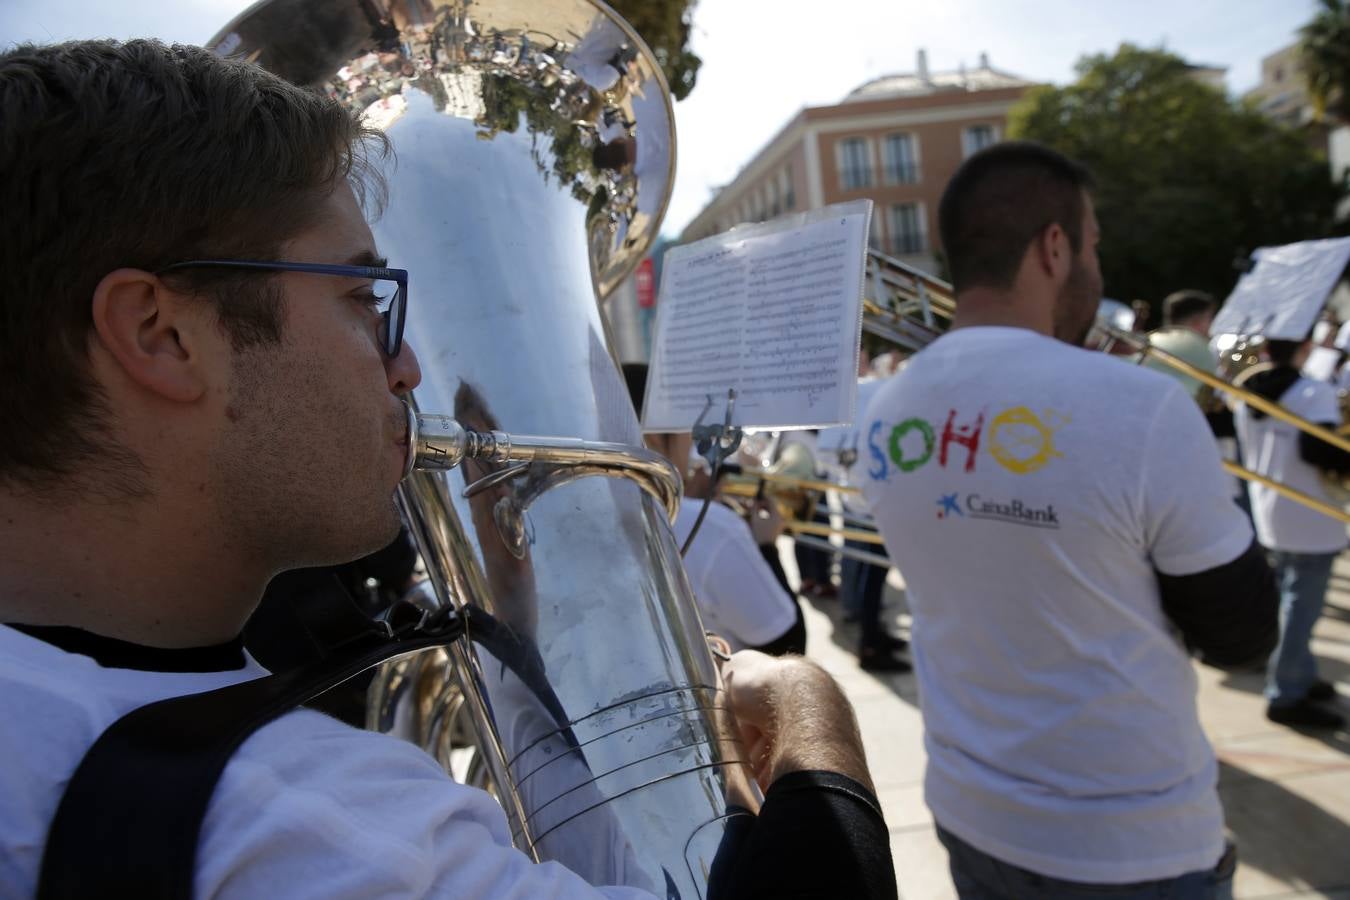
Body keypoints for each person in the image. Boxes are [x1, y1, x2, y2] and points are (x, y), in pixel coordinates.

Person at [0, 39, 896, 898]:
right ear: (162, 333)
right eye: (364, 299)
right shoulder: (307, 833)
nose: (409, 368)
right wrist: (815, 726)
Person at [860, 142, 1278, 898]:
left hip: (970, 811)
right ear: (1054, 247)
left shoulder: (881, 412)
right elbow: (1243, 637)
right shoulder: (1143, 405)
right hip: (1131, 843)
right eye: (1092, 245)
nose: (1098, 269)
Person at [622, 364, 807, 656]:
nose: (690, 439)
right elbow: (788, 644)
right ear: (655, 437)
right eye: (687, 428)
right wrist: (767, 546)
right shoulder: (714, 527)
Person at [1233, 337, 1348, 729]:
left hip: (1271, 511)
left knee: (1287, 600)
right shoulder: (1314, 392)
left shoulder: (1245, 386)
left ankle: (1299, 671)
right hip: (1312, 518)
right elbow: (1319, 452)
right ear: (1303, 349)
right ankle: (1285, 694)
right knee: (1302, 609)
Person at [1138, 290, 1220, 403]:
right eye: (1210, 318)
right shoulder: (1197, 350)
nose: (1212, 325)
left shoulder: (1155, 339)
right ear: (1197, 321)